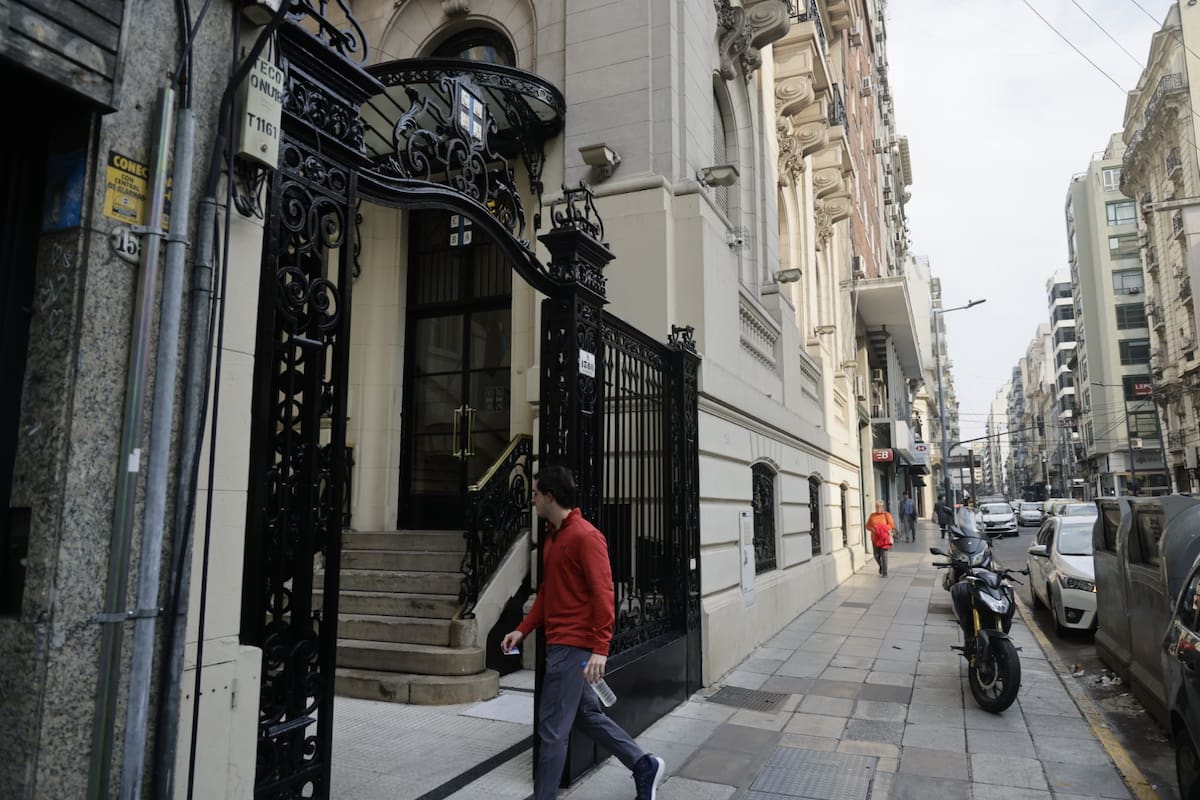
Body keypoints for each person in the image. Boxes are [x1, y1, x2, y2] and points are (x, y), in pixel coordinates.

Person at [501, 465, 666, 800]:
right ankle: (643, 764)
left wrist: (600, 649)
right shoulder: (553, 538)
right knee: (586, 716)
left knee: (551, 729)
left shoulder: (586, 537)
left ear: (549, 496)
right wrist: (522, 629)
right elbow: (547, 592)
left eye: (535, 494)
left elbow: (604, 594)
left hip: (572, 647)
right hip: (561, 644)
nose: (532, 500)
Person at [866, 500, 895, 577]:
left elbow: (891, 525)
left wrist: (881, 528)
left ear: (883, 507)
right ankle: (881, 566)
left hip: (884, 539)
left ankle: (885, 572)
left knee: (884, 555)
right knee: (876, 555)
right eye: (877, 507)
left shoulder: (887, 515)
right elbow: (867, 526)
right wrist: (873, 529)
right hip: (875, 538)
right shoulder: (872, 515)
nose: (878, 508)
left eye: (879, 507)